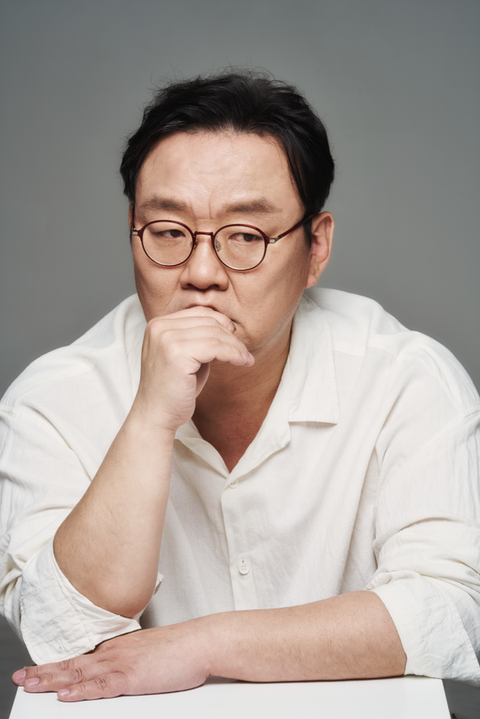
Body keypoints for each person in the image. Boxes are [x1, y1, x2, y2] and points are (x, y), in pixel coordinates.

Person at [1, 71, 479, 702]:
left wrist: (203, 645)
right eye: (168, 232)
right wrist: (149, 420)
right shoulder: (52, 400)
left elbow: (450, 610)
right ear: (133, 230)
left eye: (246, 237)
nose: (201, 272)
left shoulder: (407, 380)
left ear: (315, 248)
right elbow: (59, 633)